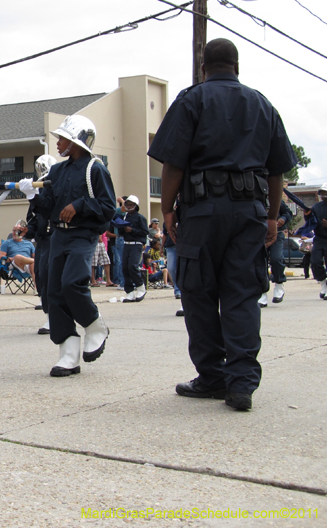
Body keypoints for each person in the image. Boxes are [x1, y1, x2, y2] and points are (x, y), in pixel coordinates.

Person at [148, 38, 297, 411]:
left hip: (201, 212)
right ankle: (242, 384)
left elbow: (173, 164)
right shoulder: (262, 103)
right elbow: (278, 169)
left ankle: (213, 377)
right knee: (242, 293)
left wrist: (167, 210)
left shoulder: (191, 99)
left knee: (199, 293)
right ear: (237, 67)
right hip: (249, 212)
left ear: (204, 67)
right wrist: (273, 216)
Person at [19, 115, 116, 377]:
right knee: (53, 292)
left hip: (83, 236)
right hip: (58, 237)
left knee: (73, 283)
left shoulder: (95, 169)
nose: (58, 143)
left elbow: (109, 208)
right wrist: (32, 195)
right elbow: (49, 206)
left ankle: (95, 326)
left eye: (62, 138)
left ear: (76, 142)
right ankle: (68, 353)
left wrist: (80, 205)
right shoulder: (57, 171)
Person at [26, 154, 56, 333]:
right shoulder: (37, 189)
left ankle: (57, 316)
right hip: (43, 241)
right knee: (41, 275)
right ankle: (50, 315)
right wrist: (26, 231)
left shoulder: (55, 186)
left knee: (54, 277)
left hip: (57, 237)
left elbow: (50, 209)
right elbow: (33, 219)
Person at [258, 199, 293, 307]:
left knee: (276, 259)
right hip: (259, 235)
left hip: (277, 233)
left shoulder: (275, 199)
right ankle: (262, 292)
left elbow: (288, 213)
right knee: (260, 262)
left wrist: (283, 218)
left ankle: (279, 284)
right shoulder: (254, 199)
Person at [121, 195, 149, 302]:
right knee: (125, 267)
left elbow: (145, 232)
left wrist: (132, 230)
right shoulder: (125, 217)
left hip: (136, 244)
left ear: (136, 206)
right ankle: (130, 292)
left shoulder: (141, 218)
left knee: (133, 266)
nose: (128, 206)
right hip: (126, 243)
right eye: (127, 204)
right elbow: (121, 232)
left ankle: (141, 287)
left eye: (131, 205)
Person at [308, 184, 327, 298]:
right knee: (315, 262)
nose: (323, 195)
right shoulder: (316, 207)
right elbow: (310, 221)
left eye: (325, 193)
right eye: (321, 193)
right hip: (319, 239)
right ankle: (323, 282)